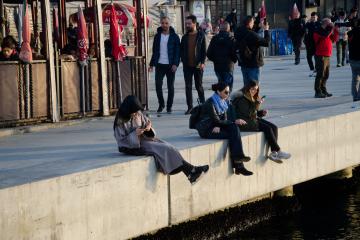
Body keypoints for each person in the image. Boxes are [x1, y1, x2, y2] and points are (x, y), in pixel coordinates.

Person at [113, 95, 209, 184]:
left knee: (169, 147)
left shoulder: (138, 113)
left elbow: (146, 121)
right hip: (133, 146)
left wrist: (148, 127)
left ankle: (191, 173)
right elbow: (121, 141)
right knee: (163, 149)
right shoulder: (120, 121)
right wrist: (135, 134)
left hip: (144, 139)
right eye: (133, 112)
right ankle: (192, 171)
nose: (135, 114)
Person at [195, 82, 253, 176]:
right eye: (226, 92)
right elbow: (216, 119)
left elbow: (224, 119)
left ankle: (239, 162)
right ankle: (239, 165)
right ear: (218, 91)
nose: (228, 94)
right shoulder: (210, 103)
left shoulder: (222, 101)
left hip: (216, 126)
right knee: (233, 132)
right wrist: (232, 122)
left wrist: (221, 124)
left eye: (229, 92)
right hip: (208, 130)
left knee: (234, 129)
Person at [231, 80, 291, 163]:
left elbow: (254, 113)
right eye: (253, 89)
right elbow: (247, 113)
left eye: (256, 89)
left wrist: (261, 113)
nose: (255, 91)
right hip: (244, 122)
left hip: (251, 119)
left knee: (274, 127)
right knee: (268, 129)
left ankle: (274, 153)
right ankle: (278, 151)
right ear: (247, 89)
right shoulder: (241, 99)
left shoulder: (250, 96)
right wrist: (257, 104)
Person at [149, 16, 181, 113]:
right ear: (160, 24)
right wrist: (151, 64)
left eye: (166, 23)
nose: (164, 25)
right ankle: (161, 104)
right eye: (162, 23)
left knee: (170, 87)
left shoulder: (175, 36)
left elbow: (177, 52)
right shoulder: (157, 36)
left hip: (171, 65)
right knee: (158, 85)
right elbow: (154, 51)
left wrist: (175, 64)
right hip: (159, 64)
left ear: (169, 24)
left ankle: (169, 106)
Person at [180, 15, 207, 115]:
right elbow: (181, 50)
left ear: (194, 24)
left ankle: (203, 107)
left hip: (198, 65)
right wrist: (183, 60)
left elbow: (204, 51)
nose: (187, 25)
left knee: (199, 86)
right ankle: (190, 107)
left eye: (189, 23)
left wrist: (203, 62)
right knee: (188, 87)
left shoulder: (201, 35)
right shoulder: (185, 37)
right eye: (186, 23)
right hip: (187, 66)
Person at [235, 16, 270, 85]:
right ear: (249, 23)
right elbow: (266, 42)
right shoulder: (251, 34)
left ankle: (246, 96)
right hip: (253, 63)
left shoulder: (238, 32)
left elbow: (251, 34)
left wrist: (258, 27)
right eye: (253, 22)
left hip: (244, 62)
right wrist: (266, 30)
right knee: (254, 87)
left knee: (246, 87)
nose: (253, 24)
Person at [207, 22, 237, 91]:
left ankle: (220, 100)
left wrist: (215, 60)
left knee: (221, 86)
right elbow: (234, 53)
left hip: (218, 67)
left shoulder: (214, 39)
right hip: (228, 66)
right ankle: (225, 101)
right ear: (228, 29)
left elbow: (209, 53)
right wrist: (234, 60)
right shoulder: (231, 39)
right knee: (227, 88)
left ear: (220, 28)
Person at [313, 18, 339, 98]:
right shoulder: (318, 31)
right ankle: (318, 91)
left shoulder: (328, 31)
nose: (331, 24)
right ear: (325, 23)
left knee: (326, 75)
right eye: (329, 23)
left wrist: (336, 30)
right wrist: (331, 28)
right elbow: (325, 35)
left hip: (327, 55)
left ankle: (323, 90)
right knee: (320, 74)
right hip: (320, 55)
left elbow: (334, 39)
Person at [304, 12, 320, 76]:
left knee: (316, 57)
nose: (313, 18)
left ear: (317, 17)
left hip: (316, 44)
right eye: (312, 17)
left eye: (314, 17)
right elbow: (304, 29)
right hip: (309, 43)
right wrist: (307, 22)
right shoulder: (308, 24)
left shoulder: (319, 24)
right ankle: (312, 69)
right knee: (308, 57)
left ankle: (316, 70)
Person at [348, 19, 360, 102]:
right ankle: (359, 96)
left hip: (352, 58)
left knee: (354, 77)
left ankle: (355, 96)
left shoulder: (350, 33)